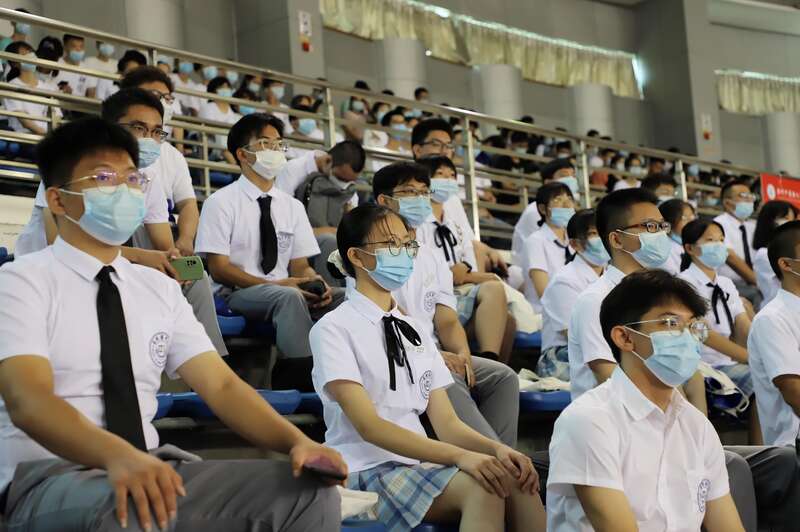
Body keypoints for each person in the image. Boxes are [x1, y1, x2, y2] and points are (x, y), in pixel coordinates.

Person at [0, 117, 346, 531]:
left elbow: (221, 386)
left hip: (146, 465)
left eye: (132, 178)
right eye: (104, 178)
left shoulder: (158, 288)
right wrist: (118, 456)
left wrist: (297, 442)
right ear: (58, 200)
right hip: (46, 475)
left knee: (310, 495)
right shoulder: (20, 282)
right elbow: (29, 400)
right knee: (134, 508)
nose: (124, 189)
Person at [311, 203, 546, 532]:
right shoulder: (334, 328)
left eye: (407, 244)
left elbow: (448, 423)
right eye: (390, 244)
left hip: (414, 465)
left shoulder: (415, 330)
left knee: (516, 476)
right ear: (356, 256)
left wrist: (500, 450)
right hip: (364, 468)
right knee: (486, 487)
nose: (403, 253)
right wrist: (459, 456)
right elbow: (369, 427)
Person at [548, 270, 745, 531]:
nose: (687, 338)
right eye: (670, 323)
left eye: (693, 326)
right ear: (625, 337)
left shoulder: (698, 426)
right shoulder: (589, 420)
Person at [195, 113, 342, 392]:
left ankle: (355, 377)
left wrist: (312, 281)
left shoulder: (291, 206)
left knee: (347, 298)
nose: (274, 151)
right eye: (265, 143)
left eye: (278, 144)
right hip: (237, 292)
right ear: (242, 154)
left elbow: (300, 265)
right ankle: (300, 381)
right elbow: (219, 269)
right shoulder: (221, 202)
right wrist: (278, 285)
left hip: (283, 287)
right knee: (288, 297)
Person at [567, 188, 706, 413]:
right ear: (617, 239)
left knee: (695, 378)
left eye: (662, 226)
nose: (660, 234)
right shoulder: (595, 300)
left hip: (663, 407)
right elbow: (607, 373)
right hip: (616, 418)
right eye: (650, 226)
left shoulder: (662, 294)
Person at [406, 158, 515, 363]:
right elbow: (443, 272)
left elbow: (467, 259)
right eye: (440, 174)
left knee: (508, 321)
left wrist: (466, 271)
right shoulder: (417, 224)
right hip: (440, 291)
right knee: (493, 287)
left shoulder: (452, 223)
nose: (447, 180)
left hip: (461, 287)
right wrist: (467, 275)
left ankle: (492, 364)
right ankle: (488, 361)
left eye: (452, 175)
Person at [678, 219, 759, 444]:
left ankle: (771, 444)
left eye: (722, 240)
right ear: (690, 248)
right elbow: (703, 334)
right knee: (759, 378)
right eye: (711, 240)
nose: (719, 245)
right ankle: (760, 447)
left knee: (771, 372)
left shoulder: (725, 283)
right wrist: (750, 358)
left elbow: (742, 324)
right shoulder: (683, 283)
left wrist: (762, 351)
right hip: (702, 364)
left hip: (728, 361)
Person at [410, 118, 509, 279]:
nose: (444, 151)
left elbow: (468, 240)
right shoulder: (407, 197)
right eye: (436, 144)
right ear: (418, 150)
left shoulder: (451, 197)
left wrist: (488, 251)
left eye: (449, 145)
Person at [538, 209, 607, 380]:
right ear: (575, 244)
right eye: (594, 234)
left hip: (602, 347)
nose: (602, 239)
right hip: (563, 355)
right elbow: (574, 336)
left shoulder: (613, 276)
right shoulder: (564, 281)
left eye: (604, 231)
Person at [511, 158, 580, 264]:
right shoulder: (534, 211)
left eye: (573, 175)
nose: (571, 179)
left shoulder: (568, 211)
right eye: (564, 175)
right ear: (548, 182)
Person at [521, 182, 575, 313]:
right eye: (558, 200)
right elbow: (544, 293)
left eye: (569, 199)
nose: (567, 205)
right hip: (546, 313)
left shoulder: (574, 242)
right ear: (543, 209)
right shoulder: (535, 241)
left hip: (574, 308)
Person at [714, 179, 760, 305]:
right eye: (743, 196)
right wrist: (758, 282)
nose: (749, 200)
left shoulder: (752, 226)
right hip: (730, 284)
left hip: (754, 283)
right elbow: (731, 258)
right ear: (727, 203)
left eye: (751, 196)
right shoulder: (718, 223)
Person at [2, 41, 62, 136]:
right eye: (24, 54)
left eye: (30, 52)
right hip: (24, 137)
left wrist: (53, 136)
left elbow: (57, 117)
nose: (30, 56)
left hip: (48, 138)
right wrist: (46, 135)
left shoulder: (48, 88)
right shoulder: (12, 87)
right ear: (14, 63)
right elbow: (24, 122)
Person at [752, 200, 797, 306]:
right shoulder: (763, 254)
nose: (791, 223)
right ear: (769, 221)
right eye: (786, 218)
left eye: (793, 219)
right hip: (780, 307)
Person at [198, 76, 241, 165]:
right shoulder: (208, 107)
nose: (226, 90)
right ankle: (235, 166)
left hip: (232, 146)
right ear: (214, 91)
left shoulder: (234, 114)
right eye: (222, 87)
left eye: (228, 87)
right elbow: (210, 130)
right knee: (222, 135)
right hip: (212, 147)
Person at [658, 198, 696, 275]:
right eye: (685, 218)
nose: (691, 223)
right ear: (667, 223)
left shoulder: (690, 243)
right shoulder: (664, 249)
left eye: (692, 218)